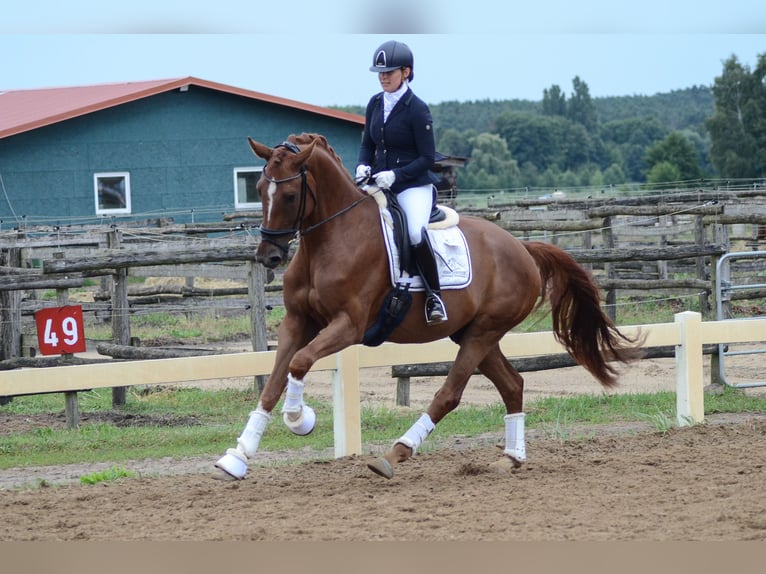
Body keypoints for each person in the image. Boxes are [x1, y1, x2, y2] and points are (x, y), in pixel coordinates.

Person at [356, 40, 448, 325]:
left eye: (390, 72)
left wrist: (397, 175)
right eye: (380, 72)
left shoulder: (417, 109)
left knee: (416, 233)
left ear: (406, 71)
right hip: (379, 182)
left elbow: (427, 158)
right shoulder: (374, 103)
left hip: (413, 185)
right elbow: (367, 145)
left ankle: (435, 297)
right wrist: (362, 164)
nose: (384, 77)